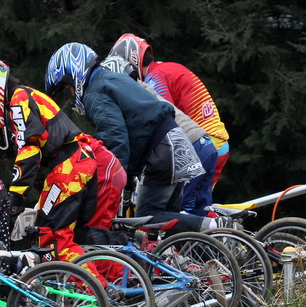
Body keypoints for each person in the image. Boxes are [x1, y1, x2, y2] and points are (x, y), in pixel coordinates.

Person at [0, 54, 125, 274]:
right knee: (73, 236)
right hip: (72, 163)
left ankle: (96, 297)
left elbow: (30, 149)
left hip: (69, 165)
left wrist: (15, 196)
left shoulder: (18, 99)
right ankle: (123, 269)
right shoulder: (21, 98)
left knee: (52, 238)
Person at [44, 42, 229, 234]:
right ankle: (187, 261)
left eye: (68, 87)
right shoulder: (112, 78)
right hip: (176, 142)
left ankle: (215, 227)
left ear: (74, 73)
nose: (72, 93)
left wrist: (112, 181)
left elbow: (115, 138)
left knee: (148, 218)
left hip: (162, 150)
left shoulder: (95, 92)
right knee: (169, 224)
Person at [109, 34, 230, 193]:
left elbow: (163, 122)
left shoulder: (155, 78)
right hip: (216, 143)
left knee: (178, 207)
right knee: (198, 206)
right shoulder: (167, 68)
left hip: (202, 143)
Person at [101, 53, 219, 214]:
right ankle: (223, 232)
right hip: (204, 143)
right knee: (198, 212)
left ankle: (214, 227)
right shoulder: (141, 91)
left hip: (188, 146)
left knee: (174, 214)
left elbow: (133, 140)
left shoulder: (132, 97)